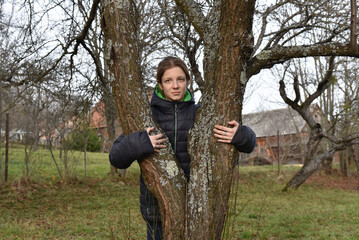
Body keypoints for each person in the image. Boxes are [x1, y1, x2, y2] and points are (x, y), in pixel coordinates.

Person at [109, 56, 256, 240]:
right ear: (160, 85)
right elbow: (116, 157)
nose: (175, 85)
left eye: (180, 79)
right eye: (168, 81)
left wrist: (240, 135)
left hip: (198, 211)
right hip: (157, 212)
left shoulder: (201, 114)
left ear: (188, 81)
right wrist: (141, 142)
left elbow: (251, 144)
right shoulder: (147, 117)